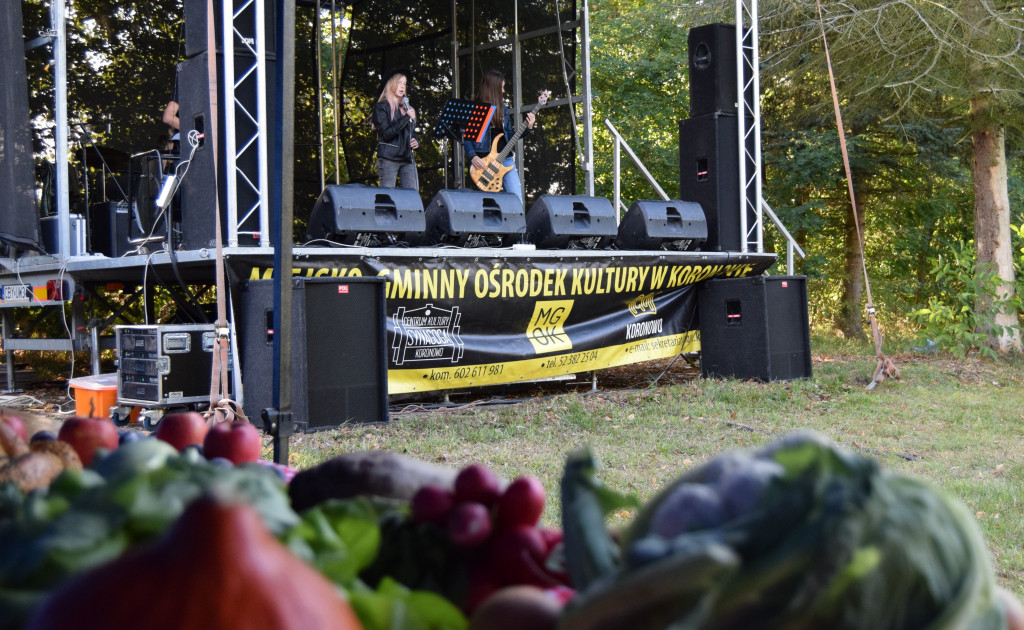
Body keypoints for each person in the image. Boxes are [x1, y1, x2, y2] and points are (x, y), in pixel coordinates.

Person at [463, 69, 535, 204]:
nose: (503, 91)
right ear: (493, 88)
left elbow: (509, 135)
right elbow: (466, 137)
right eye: (501, 87)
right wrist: (472, 156)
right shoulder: (477, 109)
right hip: (485, 163)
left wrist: (528, 128)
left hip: (506, 160)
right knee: (489, 205)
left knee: (517, 202)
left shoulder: (503, 109)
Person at [372, 69, 420, 190]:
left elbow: (411, 133)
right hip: (389, 158)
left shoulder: (406, 108)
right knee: (388, 197)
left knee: (412, 196)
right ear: (391, 84)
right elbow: (387, 134)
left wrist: (415, 140)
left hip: (407, 159)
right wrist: (406, 118)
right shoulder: (381, 107)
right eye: (399, 82)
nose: (403, 86)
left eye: (404, 83)